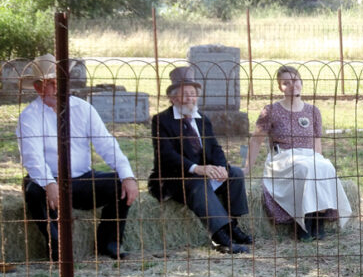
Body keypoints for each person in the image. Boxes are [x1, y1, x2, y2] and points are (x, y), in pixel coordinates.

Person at [16, 54, 139, 261]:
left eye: (60, 82)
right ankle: (58, 248)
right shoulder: (29, 116)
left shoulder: (83, 108)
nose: (57, 88)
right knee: (34, 192)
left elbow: (106, 143)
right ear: (38, 88)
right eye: (51, 83)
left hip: (81, 179)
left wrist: (127, 175)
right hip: (47, 180)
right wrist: (49, 183)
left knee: (120, 185)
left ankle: (109, 242)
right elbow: (32, 157)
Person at [149, 66, 252, 254]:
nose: (190, 98)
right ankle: (219, 238)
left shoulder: (202, 119)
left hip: (202, 173)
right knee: (199, 183)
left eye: (193, 93)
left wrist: (221, 167)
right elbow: (166, 155)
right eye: (184, 94)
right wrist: (197, 168)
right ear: (172, 98)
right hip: (175, 178)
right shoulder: (161, 120)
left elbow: (214, 147)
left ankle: (232, 226)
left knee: (234, 173)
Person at [246, 65, 351, 241]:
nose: (292, 85)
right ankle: (303, 221)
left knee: (325, 167)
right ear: (280, 87)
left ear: (301, 82)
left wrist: (319, 161)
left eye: (294, 80)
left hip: (310, 156)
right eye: (285, 83)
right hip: (283, 158)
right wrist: (247, 167)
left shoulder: (312, 111)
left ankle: (318, 219)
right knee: (303, 169)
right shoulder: (270, 110)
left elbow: (317, 142)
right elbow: (256, 139)